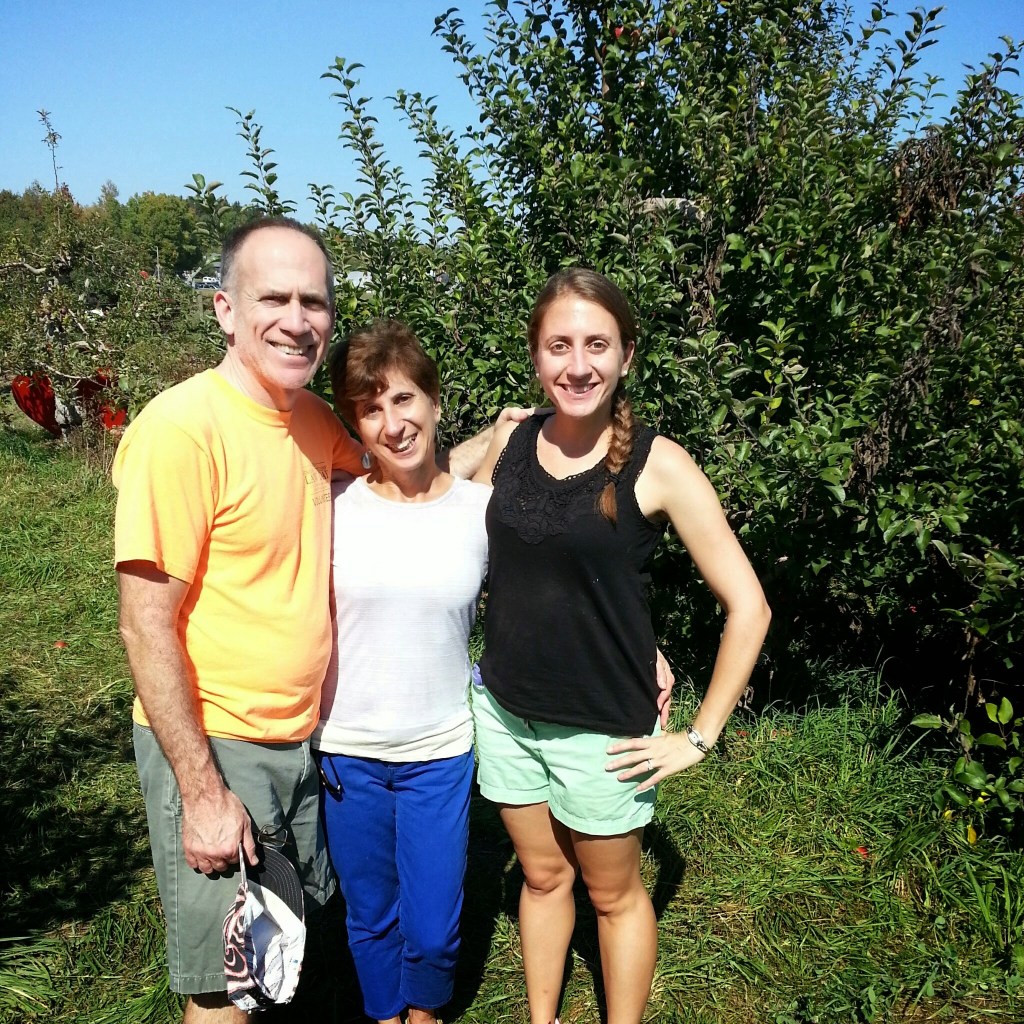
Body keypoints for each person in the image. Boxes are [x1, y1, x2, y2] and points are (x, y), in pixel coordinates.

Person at [113, 218, 504, 1024]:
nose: (298, 319)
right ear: (225, 309)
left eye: (314, 301)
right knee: (226, 991)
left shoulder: (309, 423)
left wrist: (492, 446)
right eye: (275, 298)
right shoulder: (182, 430)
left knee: (272, 961)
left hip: (299, 740)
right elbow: (143, 624)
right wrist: (202, 791)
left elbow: (408, 484)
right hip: (219, 738)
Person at [470, 268, 772, 1024]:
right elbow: (430, 505)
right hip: (505, 714)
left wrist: (699, 738)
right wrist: (487, 429)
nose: (578, 365)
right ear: (536, 357)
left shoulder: (657, 463)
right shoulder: (511, 442)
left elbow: (750, 606)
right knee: (541, 878)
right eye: (559, 346)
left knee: (612, 895)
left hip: (605, 731)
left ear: (627, 354)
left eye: (597, 345)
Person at [312, 320, 491, 1024]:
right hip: (347, 750)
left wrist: (643, 649)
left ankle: (426, 1012)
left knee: (433, 928)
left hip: (439, 752)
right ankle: (386, 1015)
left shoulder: (481, 511)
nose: (393, 422)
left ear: (437, 402)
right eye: (371, 408)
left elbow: (556, 592)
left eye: (405, 399)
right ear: (355, 423)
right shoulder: (330, 508)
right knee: (371, 915)